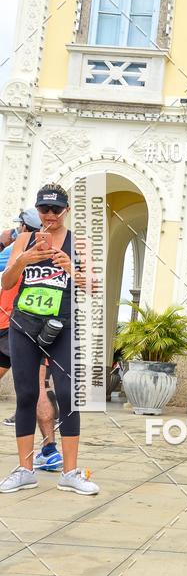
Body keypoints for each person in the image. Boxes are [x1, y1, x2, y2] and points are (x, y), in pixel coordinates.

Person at [0, 183, 99, 495]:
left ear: (66, 210)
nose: (50, 215)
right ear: (38, 209)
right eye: (44, 209)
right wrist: (22, 260)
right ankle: (25, 469)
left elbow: (93, 286)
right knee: (26, 394)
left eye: (56, 209)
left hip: (63, 327)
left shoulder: (78, 243)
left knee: (69, 394)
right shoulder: (25, 240)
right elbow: (6, 283)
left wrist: (71, 267)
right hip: (23, 326)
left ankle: (70, 472)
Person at [0, 210, 61, 454]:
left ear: (26, 229)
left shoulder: (15, 250)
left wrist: (5, 240)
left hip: (12, 325)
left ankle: (49, 451)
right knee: (39, 388)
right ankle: (50, 450)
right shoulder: (54, 253)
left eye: (20, 227)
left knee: (35, 390)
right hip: (32, 326)